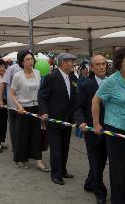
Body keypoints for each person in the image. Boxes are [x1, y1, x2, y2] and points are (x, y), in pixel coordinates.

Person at [92, 47, 125, 204]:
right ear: (119, 63)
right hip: (116, 130)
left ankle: (124, 198)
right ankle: (118, 200)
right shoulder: (111, 82)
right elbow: (96, 101)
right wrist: (96, 124)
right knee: (118, 169)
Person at [38, 53, 78, 185]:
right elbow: (42, 96)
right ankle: (56, 174)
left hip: (67, 119)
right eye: (71, 61)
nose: (73, 63)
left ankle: (63, 170)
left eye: (73, 61)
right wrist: (43, 112)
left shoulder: (72, 77)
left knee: (65, 147)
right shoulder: (52, 77)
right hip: (54, 119)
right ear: (63, 63)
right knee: (56, 149)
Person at [74, 54, 108, 204]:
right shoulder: (86, 85)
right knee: (95, 161)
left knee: (100, 162)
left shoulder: (112, 83)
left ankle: (89, 183)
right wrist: (81, 122)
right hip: (92, 130)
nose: (101, 67)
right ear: (92, 68)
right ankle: (100, 193)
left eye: (104, 64)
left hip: (110, 130)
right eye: (98, 65)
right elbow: (79, 107)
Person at [9, 50, 49, 171]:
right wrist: (19, 106)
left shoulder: (37, 72)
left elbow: (40, 92)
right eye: (27, 59)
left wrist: (43, 108)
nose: (30, 61)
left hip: (36, 107)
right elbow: (12, 94)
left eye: (31, 59)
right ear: (22, 62)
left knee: (37, 135)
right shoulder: (17, 75)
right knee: (23, 134)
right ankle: (21, 158)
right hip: (23, 109)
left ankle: (38, 161)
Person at [0, 53, 23, 152]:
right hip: (13, 104)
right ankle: (15, 147)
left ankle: (23, 147)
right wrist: (0, 100)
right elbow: (3, 84)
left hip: (26, 104)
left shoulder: (30, 69)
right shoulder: (12, 69)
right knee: (14, 126)